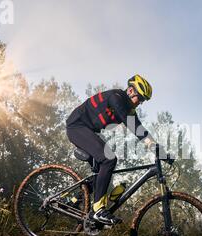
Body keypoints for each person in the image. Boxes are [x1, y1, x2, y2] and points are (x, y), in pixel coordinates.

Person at [66, 75, 168, 225]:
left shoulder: (129, 108)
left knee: (101, 173)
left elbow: (140, 129)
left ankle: (74, 201)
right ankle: (98, 210)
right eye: (139, 98)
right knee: (109, 159)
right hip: (77, 127)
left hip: (89, 131)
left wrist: (159, 149)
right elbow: (129, 123)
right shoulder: (116, 97)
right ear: (131, 90)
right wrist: (152, 146)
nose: (139, 103)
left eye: (142, 101)